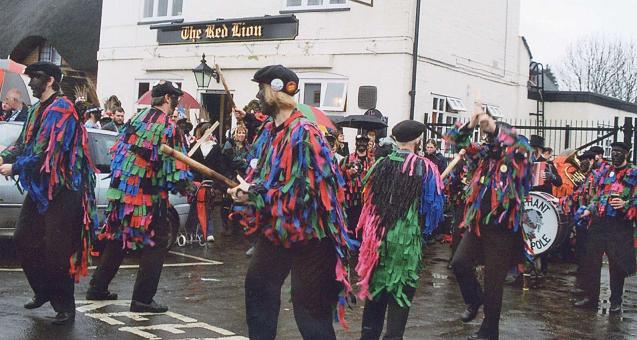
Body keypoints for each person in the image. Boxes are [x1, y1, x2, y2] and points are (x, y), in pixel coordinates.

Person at [227, 65, 355, 339]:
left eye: (261, 89)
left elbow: (302, 193)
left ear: (275, 89)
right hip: (280, 228)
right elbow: (263, 177)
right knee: (258, 285)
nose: (258, 96)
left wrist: (256, 194)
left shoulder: (305, 133)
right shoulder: (271, 131)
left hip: (312, 235)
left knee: (309, 312)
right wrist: (246, 190)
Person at [0, 61, 98, 325]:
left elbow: (46, 152)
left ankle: (65, 306)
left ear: (51, 80)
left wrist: (14, 167)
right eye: (30, 77)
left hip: (65, 189)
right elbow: (23, 143)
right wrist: (3, 156)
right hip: (42, 189)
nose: (31, 83)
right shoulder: (34, 111)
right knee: (23, 237)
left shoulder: (62, 109)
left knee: (57, 251)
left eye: (35, 78)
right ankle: (43, 290)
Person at [86, 81, 192, 313]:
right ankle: (142, 299)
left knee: (117, 237)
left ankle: (97, 288)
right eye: (175, 99)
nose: (176, 105)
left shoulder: (136, 119)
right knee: (156, 242)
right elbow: (174, 172)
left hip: (122, 192)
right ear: (166, 99)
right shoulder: (168, 127)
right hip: (147, 196)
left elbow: (122, 153)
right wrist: (188, 186)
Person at [446, 109, 532, 340]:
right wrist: (470, 124)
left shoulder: (517, 157)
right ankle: (474, 300)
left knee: (494, 282)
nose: (488, 143)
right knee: (460, 263)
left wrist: (495, 128)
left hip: (502, 229)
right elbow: (456, 141)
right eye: (487, 139)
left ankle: (489, 331)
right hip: (478, 225)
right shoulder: (484, 157)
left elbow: (523, 150)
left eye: (492, 138)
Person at [356, 120, 444, 340]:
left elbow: (367, 201)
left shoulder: (380, 164)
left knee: (376, 294)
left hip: (377, 240)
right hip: (406, 244)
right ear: (417, 140)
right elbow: (432, 211)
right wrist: (423, 232)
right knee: (400, 294)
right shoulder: (426, 168)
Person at [573, 141, 636, 313]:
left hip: (620, 223)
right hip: (600, 222)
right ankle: (591, 299)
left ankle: (615, 301)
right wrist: (589, 209)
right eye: (613, 151)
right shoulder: (606, 172)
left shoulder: (634, 172)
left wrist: (626, 203)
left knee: (616, 264)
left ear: (626, 154)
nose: (615, 155)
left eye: (619, 152)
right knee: (591, 261)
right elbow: (598, 195)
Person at [186, 122, 233, 241]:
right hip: (196, 180)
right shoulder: (194, 146)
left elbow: (219, 165)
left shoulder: (215, 147)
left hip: (209, 181)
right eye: (206, 130)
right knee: (194, 206)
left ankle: (207, 231)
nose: (209, 133)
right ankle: (190, 231)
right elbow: (189, 163)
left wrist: (225, 179)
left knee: (207, 205)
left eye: (210, 130)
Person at [341, 134, 375, 237]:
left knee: (365, 227)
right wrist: (349, 173)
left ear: (368, 144)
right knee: (351, 225)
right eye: (359, 141)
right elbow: (340, 177)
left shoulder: (372, 161)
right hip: (351, 201)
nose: (361, 144)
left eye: (364, 142)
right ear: (355, 143)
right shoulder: (347, 159)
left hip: (366, 201)